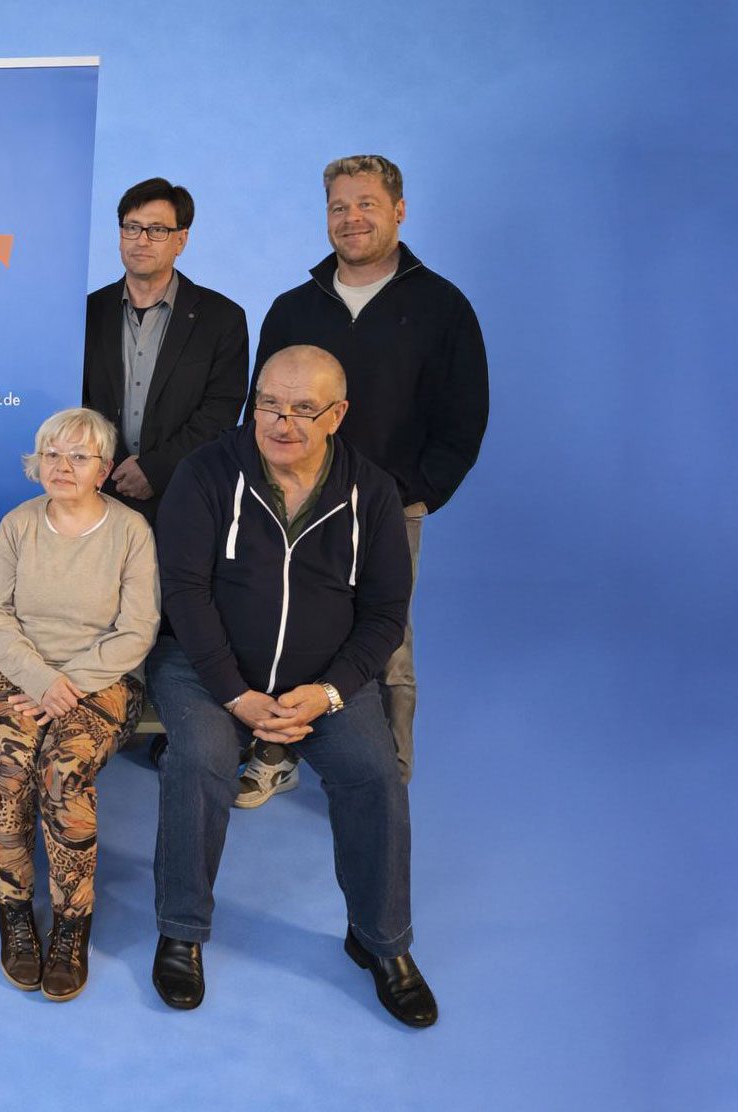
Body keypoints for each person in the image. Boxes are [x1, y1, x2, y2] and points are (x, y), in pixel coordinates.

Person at [148, 345, 436, 1027]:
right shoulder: (207, 473)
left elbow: (386, 615)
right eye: (270, 404)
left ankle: (381, 941)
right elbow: (184, 595)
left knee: (375, 772)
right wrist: (235, 693)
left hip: (324, 676)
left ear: (337, 415)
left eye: (304, 409)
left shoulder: (373, 492)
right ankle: (181, 931)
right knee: (200, 760)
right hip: (204, 667)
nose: (282, 422)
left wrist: (330, 693)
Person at [242, 154, 489, 800]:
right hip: (290, 504)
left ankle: (385, 778)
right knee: (283, 625)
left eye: (366, 204)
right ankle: (275, 751)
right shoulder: (295, 308)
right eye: (338, 207)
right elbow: (259, 410)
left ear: (399, 211)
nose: (351, 219)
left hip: (388, 508)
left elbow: (464, 419)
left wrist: (413, 495)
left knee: (386, 645)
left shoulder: (442, 308)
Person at [0, 408, 159, 1001]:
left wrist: (69, 683)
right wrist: (36, 677)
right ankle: (15, 911)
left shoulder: (131, 531)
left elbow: (137, 630)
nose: (63, 466)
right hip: (17, 673)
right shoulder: (18, 526)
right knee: (8, 771)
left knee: (64, 772)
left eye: (79, 457)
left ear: (103, 469)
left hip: (102, 680)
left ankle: (71, 923)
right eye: (52, 454)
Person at [82, 177, 251, 523]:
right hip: (99, 494)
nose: (142, 240)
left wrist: (155, 469)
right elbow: (78, 398)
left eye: (157, 230)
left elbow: (220, 410)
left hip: (185, 497)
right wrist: (108, 465)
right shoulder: (87, 312)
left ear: (181, 240)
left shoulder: (221, 318)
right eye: (132, 227)